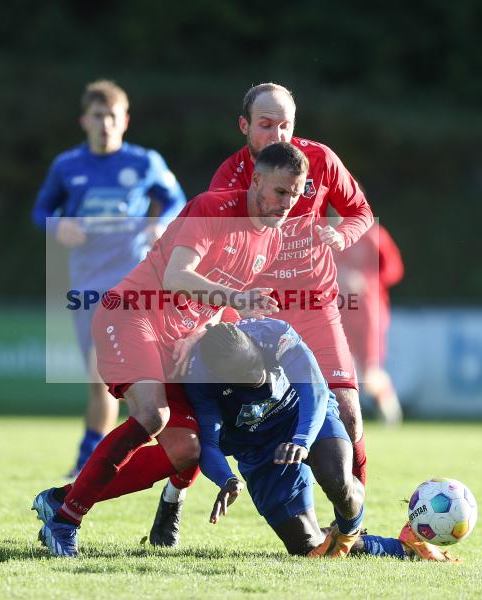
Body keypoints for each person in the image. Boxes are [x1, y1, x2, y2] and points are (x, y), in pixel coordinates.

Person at [32, 142, 310, 557]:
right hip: (129, 315)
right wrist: (236, 299)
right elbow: (178, 277)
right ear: (255, 181)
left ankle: (61, 498)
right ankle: (66, 521)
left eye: (296, 193)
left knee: (189, 450)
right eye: (279, 191)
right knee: (152, 415)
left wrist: (203, 331)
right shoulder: (211, 209)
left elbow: (214, 304)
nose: (287, 203)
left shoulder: (270, 237)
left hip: (178, 339)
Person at [203, 83, 373, 489]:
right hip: (255, 310)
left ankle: (353, 520)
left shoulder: (319, 159)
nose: (277, 136)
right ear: (244, 125)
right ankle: (174, 496)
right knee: (214, 416)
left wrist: (342, 236)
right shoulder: (230, 176)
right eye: (265, 125)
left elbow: (360, 211)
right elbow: (209, 245)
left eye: (285, 126)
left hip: (315, 305)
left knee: (348, 412)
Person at [186, 319, 456, 561]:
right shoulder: (200, 380)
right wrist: (227, 480)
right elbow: (208, 443)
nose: (259, 379)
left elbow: (314, 389)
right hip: (257, 448)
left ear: (254, 345)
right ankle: (401, 547)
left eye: (255, 364)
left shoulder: (274, 334)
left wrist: (302, 441)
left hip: (302, 413)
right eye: (244, 376)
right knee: (308, 547)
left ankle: (348, 530)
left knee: (338, 480)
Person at [32, 80, 187, 478]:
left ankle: (94, 460)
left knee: (107, 371)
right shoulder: (67, 166)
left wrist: (161, 225)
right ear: (85, 120)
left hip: (133, 283)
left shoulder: (143, 162)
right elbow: (41, 210)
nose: (105, 124)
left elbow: (176, 199)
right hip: (87, 284)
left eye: (112, 117)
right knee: (101, 378)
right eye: (98, 116)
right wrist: (58, 225)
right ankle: (112, 457)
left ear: (126, 121)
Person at [336, 223, 405, 425]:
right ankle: (340, 418)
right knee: (338, 365)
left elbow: (394, 269)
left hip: (369, 311)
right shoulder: (332, 236)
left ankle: (390, 414)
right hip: (340, 311)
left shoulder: (373, 235)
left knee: (370, 370)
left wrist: (366, 280)